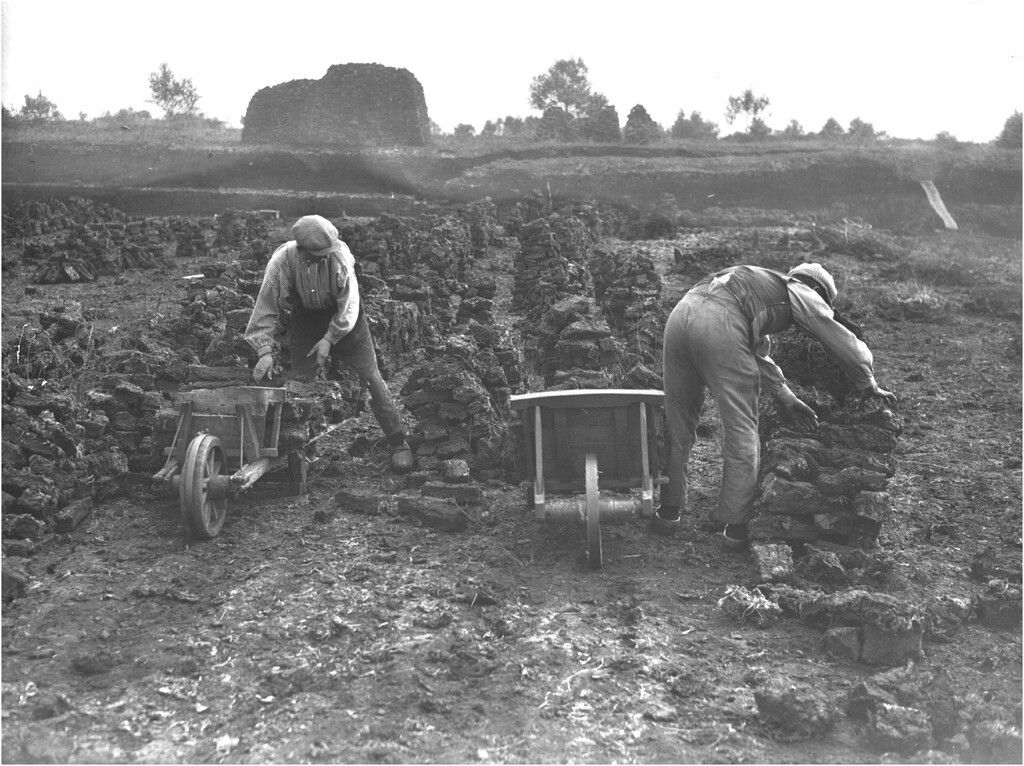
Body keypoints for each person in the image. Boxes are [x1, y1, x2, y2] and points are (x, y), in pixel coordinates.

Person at [654, 262, 896, 551]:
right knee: (742, 428)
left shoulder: (755, 283)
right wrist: (867, 380)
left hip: (681, 314)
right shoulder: (798, 287)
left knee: (678, 420)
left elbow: (755, 352)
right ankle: (736, 528)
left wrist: (787, 397)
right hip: (720, 325)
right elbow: (832, 330)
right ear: (816, 288)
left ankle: (668, 511)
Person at [245, 214, 415, 473]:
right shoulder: (282, 262)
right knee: (302, 384)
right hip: (306, 320)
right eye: (317, 255)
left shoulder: (339, 257)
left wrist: (329, 338)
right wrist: (264, 351)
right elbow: (265, 307)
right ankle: (306, 450)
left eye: (326, 253)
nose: (324, 258)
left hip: (347, 321)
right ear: (302, 251)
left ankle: (398, 442)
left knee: (371, 376)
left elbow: (350, 306)